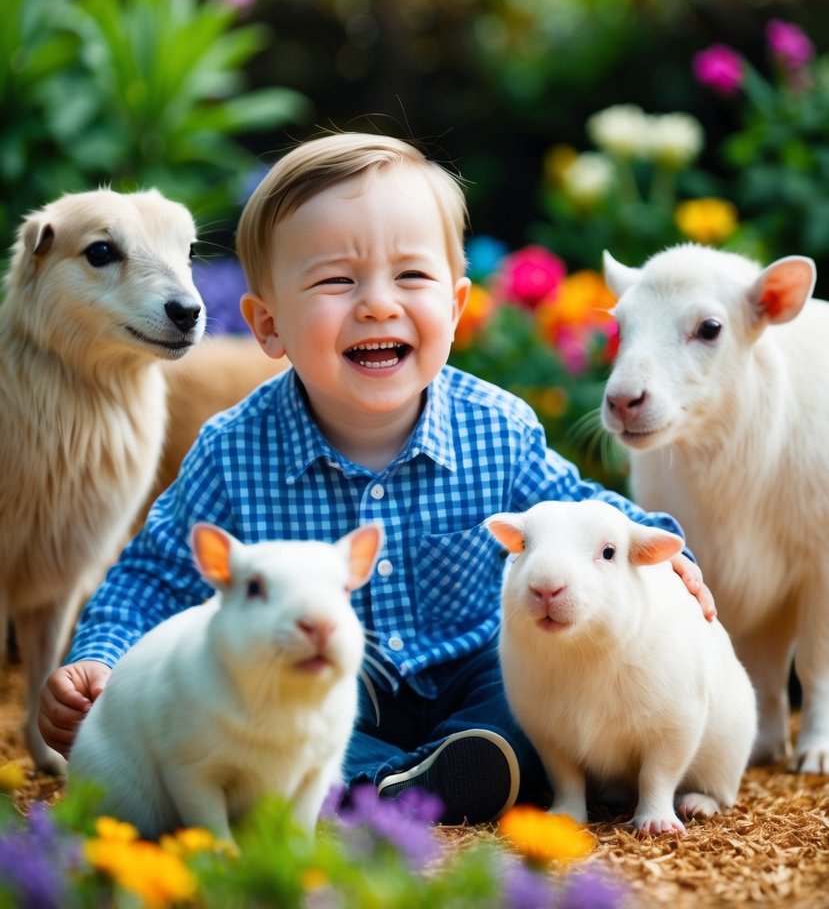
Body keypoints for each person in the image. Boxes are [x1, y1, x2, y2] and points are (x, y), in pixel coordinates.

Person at [40, 132, 714, 826]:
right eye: (337, 280)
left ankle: (449, 768)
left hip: (468, 677)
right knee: (262, 717)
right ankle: (371, 784)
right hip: (317, 676)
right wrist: (101, 659)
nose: (377, 304)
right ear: (268, 325)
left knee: (527, 699)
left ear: (454, 308)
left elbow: (580, 510)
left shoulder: (497, 429)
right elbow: (155, 575)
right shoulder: (233, 451)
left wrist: (660, 547)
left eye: (411, 277)